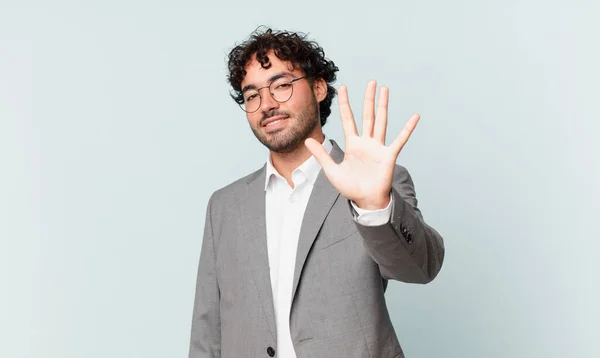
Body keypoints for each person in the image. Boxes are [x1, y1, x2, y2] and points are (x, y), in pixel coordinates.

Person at [189, 27, 445, 358]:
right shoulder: (224, 205)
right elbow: (208, 329)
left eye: (281, 86)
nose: (267, 104)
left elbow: (420, 268)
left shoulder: (374, 183)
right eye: (252, 95)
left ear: (319, 88)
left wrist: (374, 206)